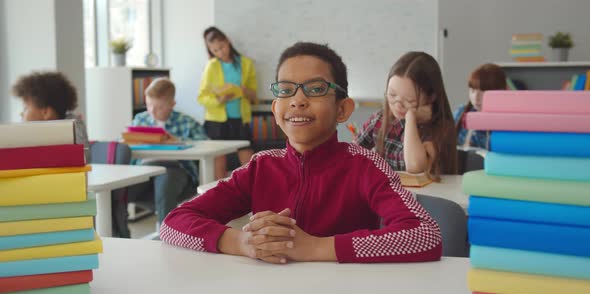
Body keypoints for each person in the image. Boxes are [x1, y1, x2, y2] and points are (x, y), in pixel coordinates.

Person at [160, 42, 442, 264]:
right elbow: (172, 223)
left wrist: (314, 247)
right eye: (285, 90)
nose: (297, 100)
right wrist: (242, 243)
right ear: (275, 110)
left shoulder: (365, 165)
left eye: (316, 89)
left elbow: (425, 235)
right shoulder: (261, 167)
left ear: (342, 109)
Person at [355, 52, 457, 181]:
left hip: (424, 198)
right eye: (392, 95)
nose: (398, 105)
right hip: (385, 195)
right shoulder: (379, 119)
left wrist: (411, 118)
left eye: (409, 100)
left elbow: (415, 167)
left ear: (431, 96)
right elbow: (350, 155)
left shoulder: (440, 128)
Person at [130, 77, 208, 226]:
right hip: (144, 168)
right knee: (118, 190)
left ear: (172, 104)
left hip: (175, 168)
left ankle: (167, 231)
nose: (152, 111)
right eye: (149, 105)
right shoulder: (140, 119)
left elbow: (206, 143)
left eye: (159, 107)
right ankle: (118, 234)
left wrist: (178, 140)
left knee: (165, 184)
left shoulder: (186, 122)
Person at [198, 26, 257, 179]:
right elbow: (202, 97)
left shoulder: (246, 63)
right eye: (215, 50)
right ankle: (220, 197)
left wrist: (245, 91)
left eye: (222, 47)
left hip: (240, 119)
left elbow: (253, 96)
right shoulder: (211, 65)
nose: (220, 52)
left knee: (248, 160)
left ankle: (252, 194)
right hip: (217, 121)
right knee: (219, 160)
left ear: (228, 41)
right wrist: (219, 99)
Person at [12, 71, 90, 162]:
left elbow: (83, 157)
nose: (21, 113)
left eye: (25, 107)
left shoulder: (73, 127)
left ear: (46, 112)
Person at [454, 63, 507, 149]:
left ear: (499, 91)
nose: (476, 97)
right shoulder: (461, 113)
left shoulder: (507, 120)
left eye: (483, 91)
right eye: (472, 90)